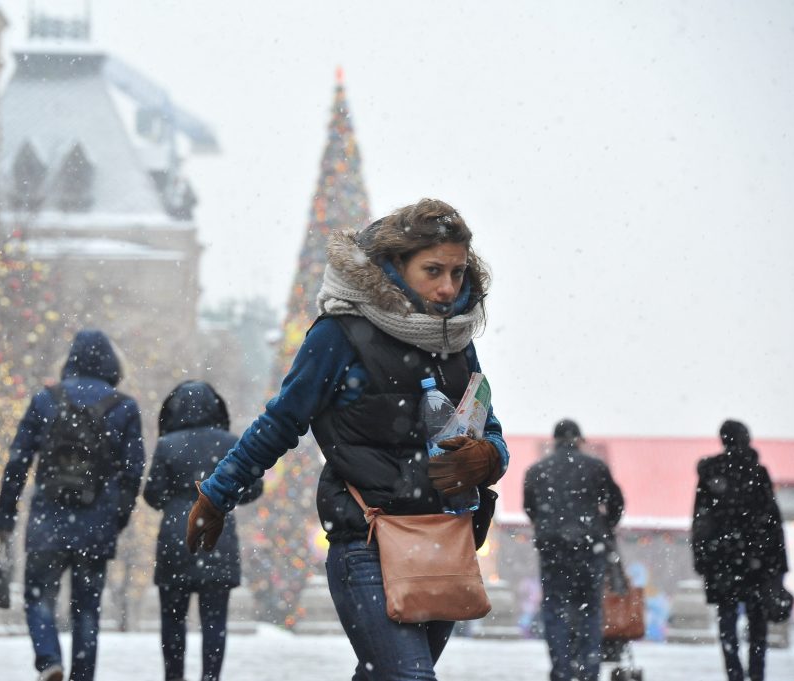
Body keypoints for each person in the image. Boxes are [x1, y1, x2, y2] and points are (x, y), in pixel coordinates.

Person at [186, 199, 511, 680]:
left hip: (442, 540)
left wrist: (488, 457)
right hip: (367, 536)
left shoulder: (457, 341)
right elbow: (280, 422)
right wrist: (217, 495)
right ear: (395, 267)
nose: (448, 288)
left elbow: (490, 428)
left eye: (458, 273)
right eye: (433, 270)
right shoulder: (339, 333)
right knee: (410, 677)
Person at [0, 329, 144, 681]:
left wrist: (6, 514)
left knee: (38, 598)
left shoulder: (45, 400)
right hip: (97, 524)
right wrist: (117, 517)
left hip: (48, 521)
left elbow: (17, 460)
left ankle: (49, 661)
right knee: (87, 610)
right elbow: (133, 471)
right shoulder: (124, 407)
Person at [143, 381, 264, 681]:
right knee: (215, 622)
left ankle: (174, 676)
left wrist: (175, 500)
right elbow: (254, 488)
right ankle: (211, 677)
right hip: (216, 536)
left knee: (172, 621)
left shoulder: (167, 445)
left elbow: (152, 494)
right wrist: (223, 497)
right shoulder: (230, 443)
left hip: (176, 540)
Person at [523, 419, 623, 681]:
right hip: (590, 547)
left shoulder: (537, 470)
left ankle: (561, 670)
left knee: (555, 609)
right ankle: (589, 670)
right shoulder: (596, 467)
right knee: (590, 609)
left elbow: (530, 508)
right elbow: (616, 503)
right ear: (579, 439)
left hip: (553, 549)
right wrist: (603, 526)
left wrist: (548, 528)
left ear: (554, 440)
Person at [691, 420, 788, 681]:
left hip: (722, 560)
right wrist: (779, 565)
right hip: (756, 560)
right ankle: (757, 673)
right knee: (757, 624)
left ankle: (734, 672)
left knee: (727, 621)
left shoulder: (711, 473)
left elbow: (700, 520)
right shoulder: (757, 472)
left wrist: (701, 558)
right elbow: (772, 521)